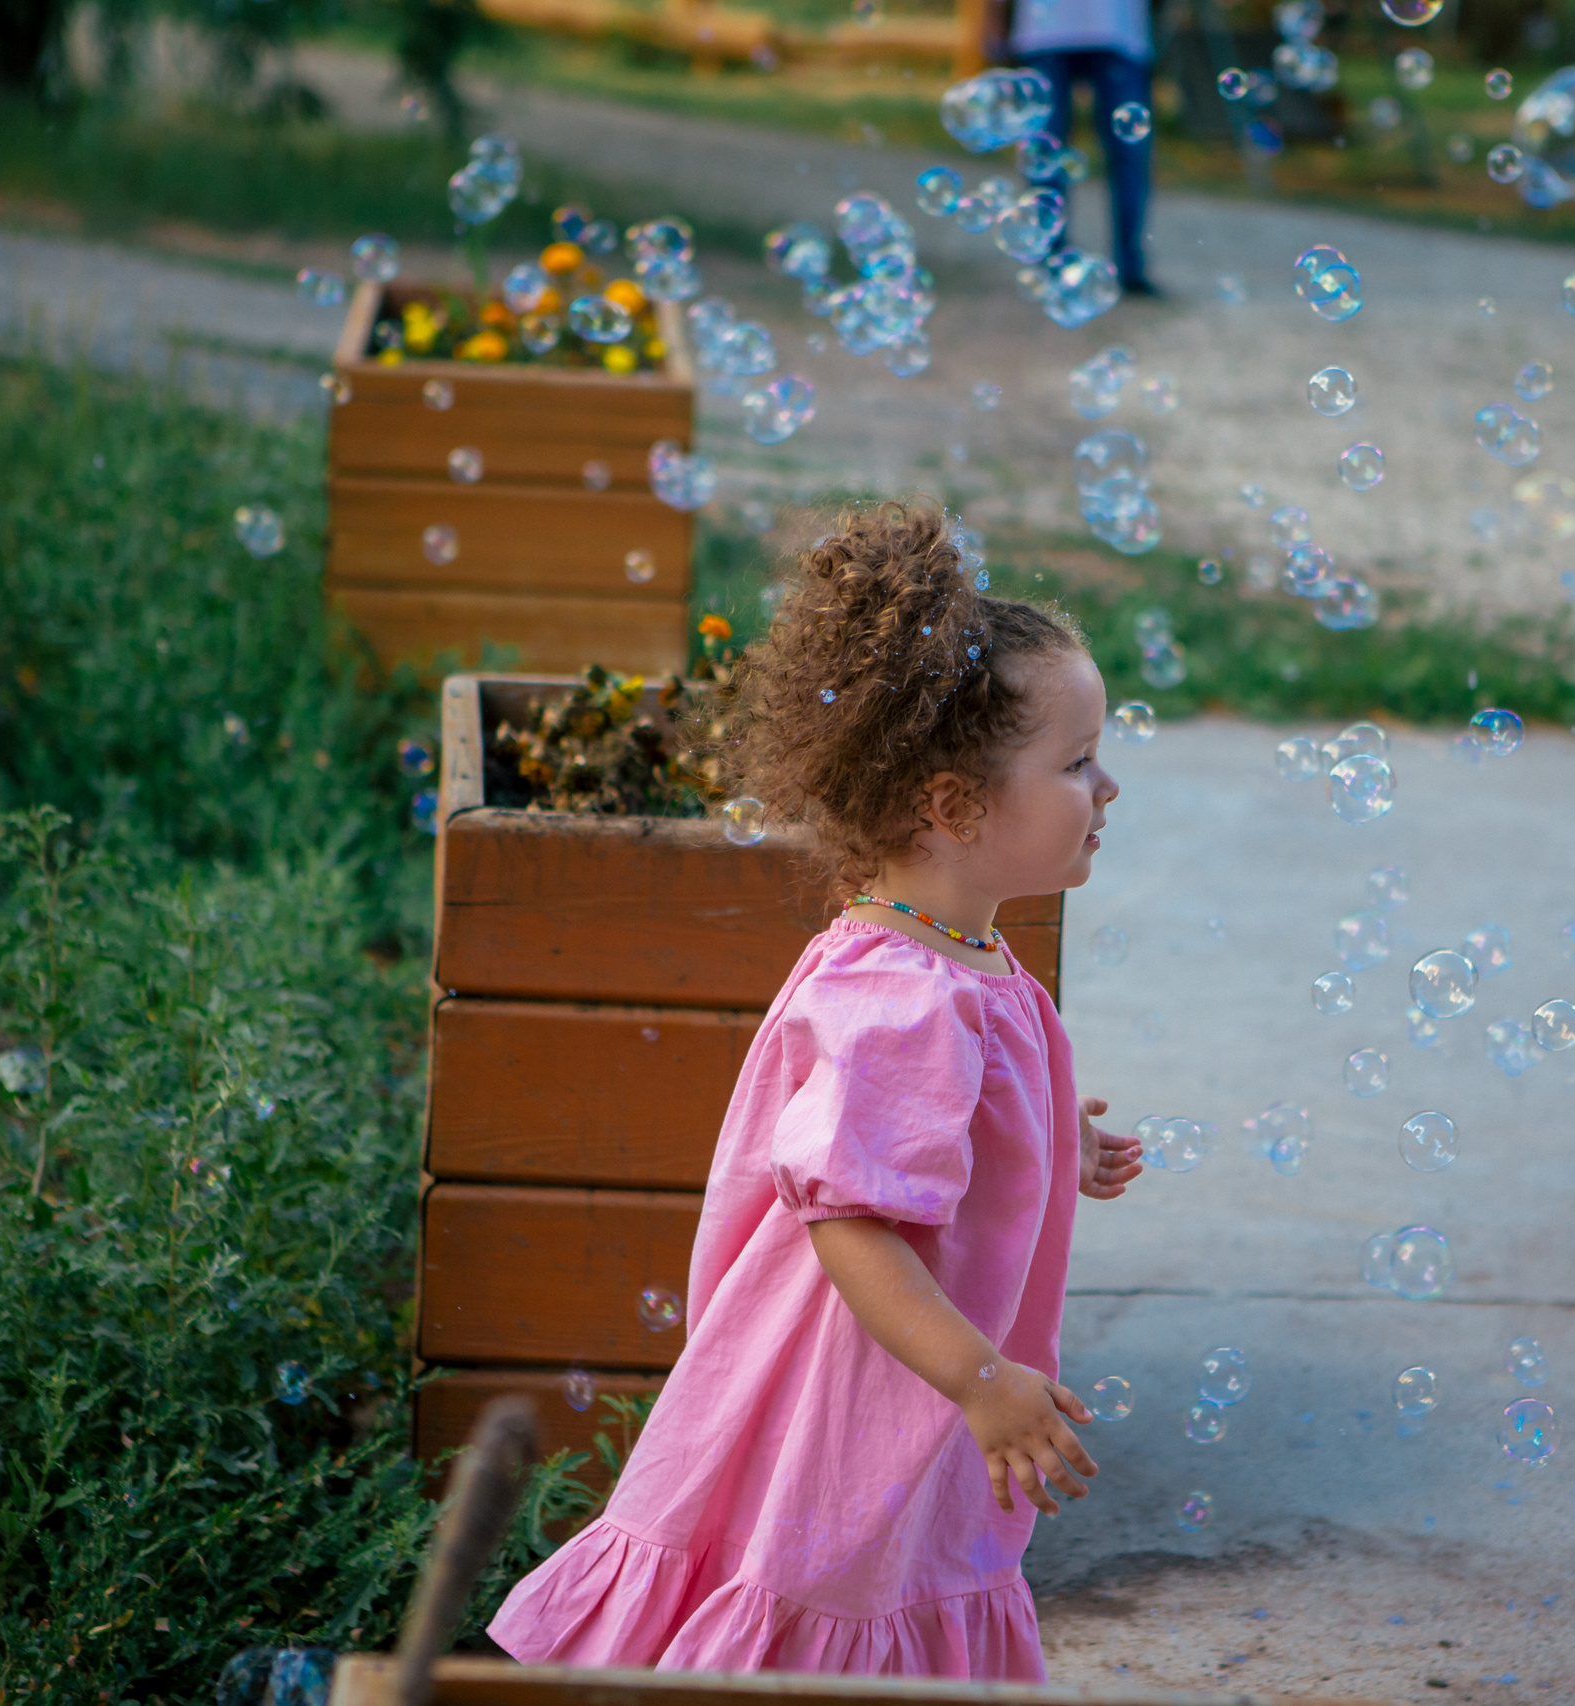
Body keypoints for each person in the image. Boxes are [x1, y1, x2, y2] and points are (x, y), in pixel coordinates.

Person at [486, 499, 1144, 1679]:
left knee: (874, 1590)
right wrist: (981, 1378)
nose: (1108, 787)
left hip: (909, 1377)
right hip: (858, 1388)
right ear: (952, 805)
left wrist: (1054, 1148)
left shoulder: (953, 959)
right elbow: (849, 1219)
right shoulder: (906, 996)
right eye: (1078, 760)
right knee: (823, 1606)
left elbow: (947, 1143)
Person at [1007, 0, 1158, 294]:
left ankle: (1130, 267)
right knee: (1043, 152)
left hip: (1118, 29)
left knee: (1129, 152)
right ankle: (1050, 262)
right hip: (1046, 30)